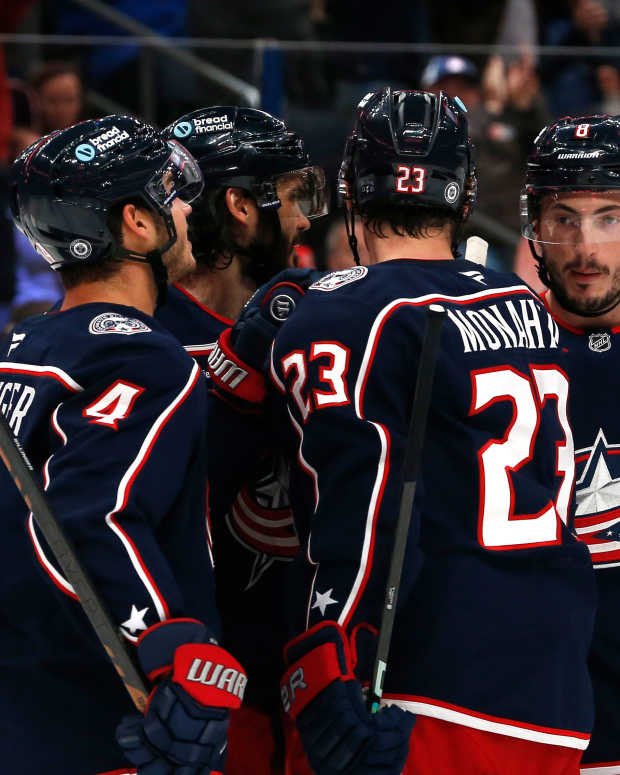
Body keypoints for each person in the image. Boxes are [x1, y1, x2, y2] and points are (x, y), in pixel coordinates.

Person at [263, 88, 595, 774]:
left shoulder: (345, 313)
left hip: (425, 681)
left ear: (352, 187)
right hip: (553, 690)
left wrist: (329, 655)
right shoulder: (523, 305)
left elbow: (365, 499)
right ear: (464, 193)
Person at [1, 115, 245, 775]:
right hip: (100, 724)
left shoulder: (24, 346)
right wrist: (166, 646)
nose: (188, 209)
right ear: (136, 222)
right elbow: (88, 518)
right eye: (172, 194)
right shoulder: (142, 356)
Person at [156, 106, 328, 775]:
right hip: (199, 686)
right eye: (291, 197)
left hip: (313, 672)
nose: (306, 219)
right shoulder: (143, 341)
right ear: (240, 205)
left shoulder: (320, 322)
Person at [521, 114, 620, 775]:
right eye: (564, 218)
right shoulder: (491, 354)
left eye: (610, 217)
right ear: (534, 228)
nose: (584, 246)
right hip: (537, 721)